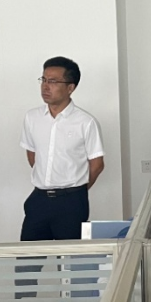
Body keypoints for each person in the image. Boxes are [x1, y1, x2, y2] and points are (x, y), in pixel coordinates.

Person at [20, 56, 104, 241]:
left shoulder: (85, 122)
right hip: (39, 199)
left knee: (70, 257)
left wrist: (76, 189)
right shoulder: (32, 118)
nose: (45, 86)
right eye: (43, 80)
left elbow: (97, 164)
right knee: (28, 256)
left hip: (71, 202)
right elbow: (32, 154)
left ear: (70, 87)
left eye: (53, 81)